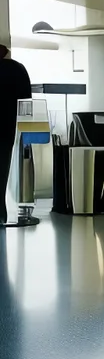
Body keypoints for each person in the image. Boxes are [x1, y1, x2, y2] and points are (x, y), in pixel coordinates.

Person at [0, 46, 32, 225]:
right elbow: (26, 99)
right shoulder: (16, 68)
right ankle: (0, 214)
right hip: (6, 129)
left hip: (6, 128)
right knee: (2, 171)